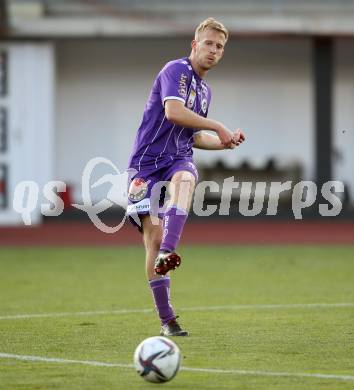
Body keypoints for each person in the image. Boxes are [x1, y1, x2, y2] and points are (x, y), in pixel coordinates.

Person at [127, 17, 246, 336]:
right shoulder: (175, 70)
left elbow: (191, 137)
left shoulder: (205, 92)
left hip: (177, 159)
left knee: (186, 177)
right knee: (150, 237)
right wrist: (218, 126)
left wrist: (223, 144)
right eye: (208, 43)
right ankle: (167, 320)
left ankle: (169, 249)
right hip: (146, 165)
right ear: (194, 45)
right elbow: (173, 113)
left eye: (219, 47)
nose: (213, 50)